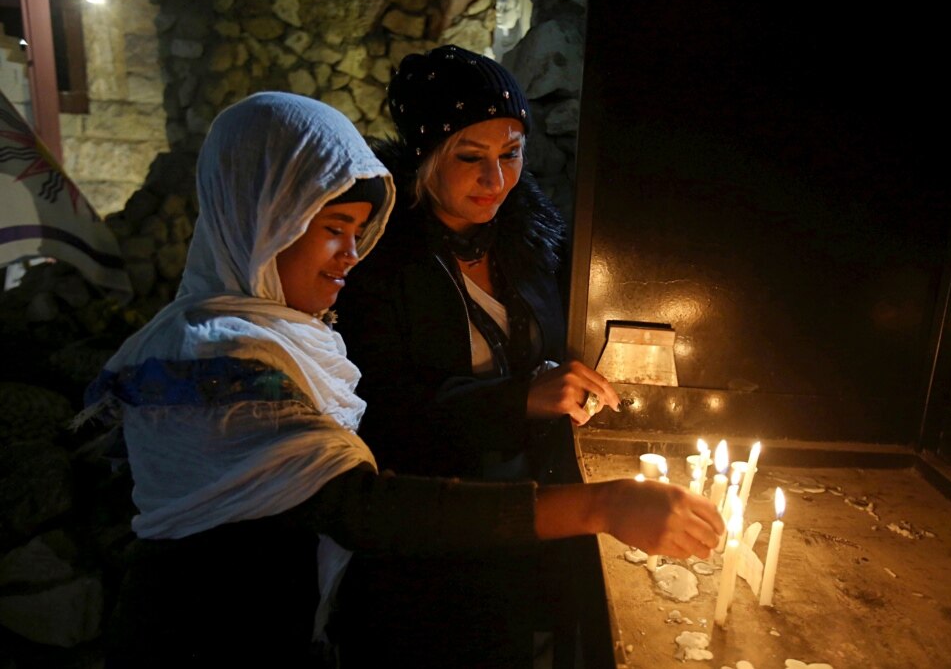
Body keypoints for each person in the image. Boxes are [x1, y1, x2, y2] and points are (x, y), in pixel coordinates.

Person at [78, 91, 724, 668]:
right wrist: (598, 506)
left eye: (359, 232)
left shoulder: (288, 333)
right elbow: (357, 506)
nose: (351, 257)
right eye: (334, 230)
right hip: (205, 641)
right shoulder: (209, 355)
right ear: (263, 220)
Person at [329, 45, 622, 667]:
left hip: (526, 523)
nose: (496, 182)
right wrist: (521, 399)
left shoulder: (534, 244)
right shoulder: (377, 261)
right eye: (470, 158)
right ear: (425, 157)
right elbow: (382, 418)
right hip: (425, 544)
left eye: (510, 155)